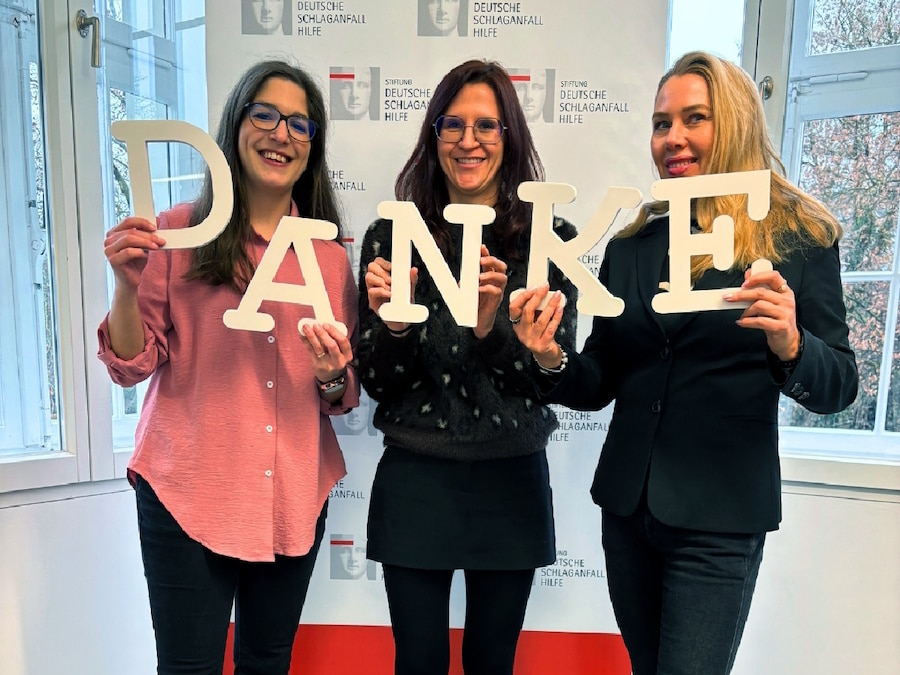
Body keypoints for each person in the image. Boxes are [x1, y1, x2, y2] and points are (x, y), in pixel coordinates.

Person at [510, 51, 859, 675]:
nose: (672, 138)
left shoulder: (798, 239)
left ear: (735, 123)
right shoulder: (633, 247)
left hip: (720, 519)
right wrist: (549, 356)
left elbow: (840, 386)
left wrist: (792, 344)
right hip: (628, 511)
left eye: (694, 118)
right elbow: (599, 379)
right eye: (661, 123)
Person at [98, 60, 359, 674]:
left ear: (312, 146)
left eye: (299, 123)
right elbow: (131, 366)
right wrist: (127, 287)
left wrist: (331, 373)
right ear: (235, 125)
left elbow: (340, 395)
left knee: (267, 662)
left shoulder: (327, 258)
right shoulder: (175, 234)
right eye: (264, 114)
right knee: (187, 666)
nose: (281, 134)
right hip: (187, 490)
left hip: (292, 492)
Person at [357, 59, 578, 675]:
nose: (468, 140)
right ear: (433, 136)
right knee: (418, 662)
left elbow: (554, 378)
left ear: (510, 137)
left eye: (486, 125)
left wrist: (489, 330)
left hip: (511, 479)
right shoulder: (392, 236)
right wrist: (395, 330)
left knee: (491, 663)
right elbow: (376, 381)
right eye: (452, 124)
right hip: (416, 477)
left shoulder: (549, 239)